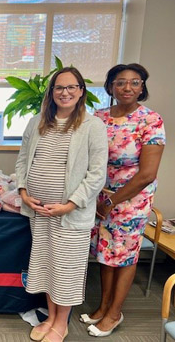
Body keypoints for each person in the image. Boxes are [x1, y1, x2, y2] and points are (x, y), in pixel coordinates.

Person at [16, 67, 108, 342]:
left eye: (71, 87)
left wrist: (70, 204)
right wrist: (23, 191)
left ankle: (61, 323)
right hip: (40, 211)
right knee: (46, 265)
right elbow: (22, 160)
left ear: (81, 91)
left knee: (66, 269)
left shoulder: (93, 127)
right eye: (59, 87)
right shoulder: (37, 122)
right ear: (52, 92)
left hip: (70, 214)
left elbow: (96, 174)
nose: (65, 92)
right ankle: (50, 318)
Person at [82, 64, 166, 337]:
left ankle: (115, 313)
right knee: (106, 253)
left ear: (142, 87)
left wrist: (113, 200)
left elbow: (148, 173)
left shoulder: (150, 120)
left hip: (132, 201)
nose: (127, 88)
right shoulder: (99, 117)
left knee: (125, 257)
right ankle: (103, 307)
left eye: (134, 82)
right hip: (101, 196)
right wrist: (97, 196)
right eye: (120, 82)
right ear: (110, 87)